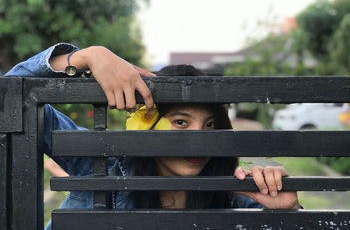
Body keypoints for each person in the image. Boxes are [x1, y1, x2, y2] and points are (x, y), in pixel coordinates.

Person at [6, 43, 300, 230]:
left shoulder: (234, 199)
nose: (199, 138)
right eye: (181, 122)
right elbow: (8, 102)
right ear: (146, 123)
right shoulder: (102, 167)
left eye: (210, 126)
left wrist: (291, 211)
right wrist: (85, 56)